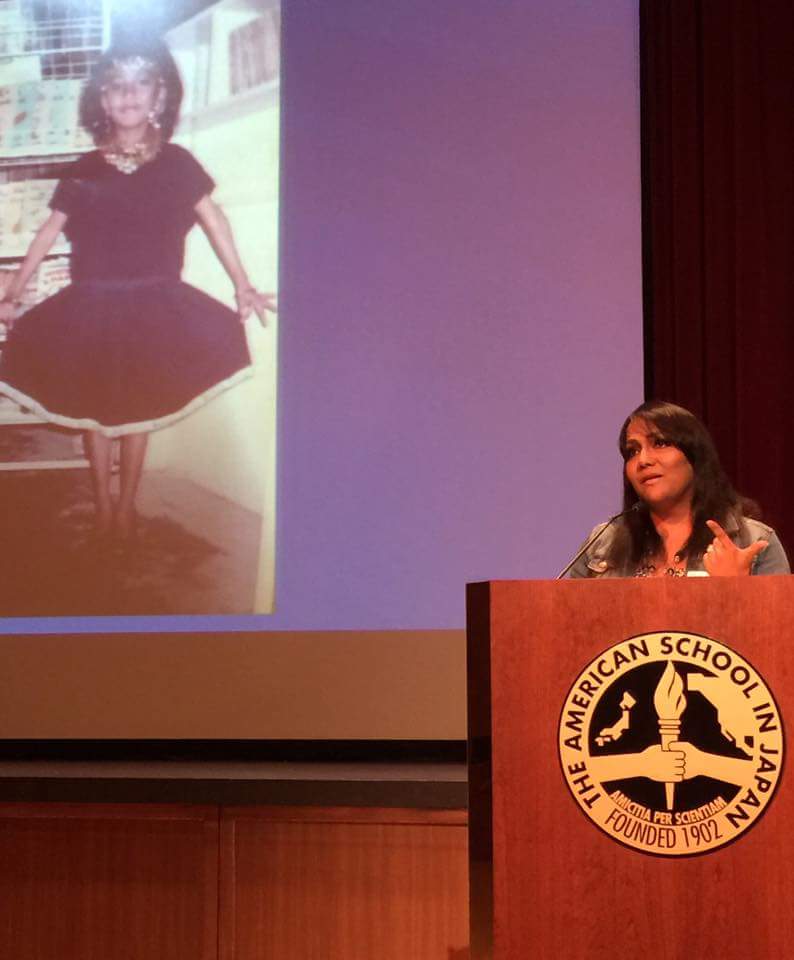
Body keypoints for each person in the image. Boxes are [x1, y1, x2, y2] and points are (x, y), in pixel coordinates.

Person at [0, 37, 276, 542]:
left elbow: (215, 220)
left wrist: (244, 284)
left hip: (153, 302)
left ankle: (126, 505)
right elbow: (47, 232)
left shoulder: (177, 163)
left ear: (159, 97)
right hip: (92, 303)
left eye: (140, 82)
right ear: (103, 102)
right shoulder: (84, 169)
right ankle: (103, 504)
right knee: (94, 411)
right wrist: (14, 289)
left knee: (138, 410)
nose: (128, 94)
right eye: (116, 86)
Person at [568, 400, 789, 578]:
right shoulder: (603, 543)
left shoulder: (753, 541)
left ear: (695, 456)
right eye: (632, 451)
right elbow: (566, 616)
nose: (643, 460)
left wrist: (735, 589)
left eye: (660, 443)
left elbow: (781, 621)